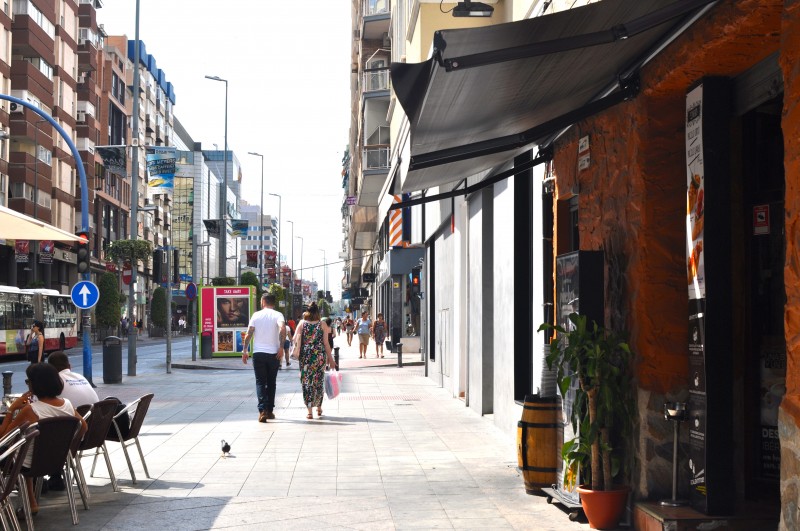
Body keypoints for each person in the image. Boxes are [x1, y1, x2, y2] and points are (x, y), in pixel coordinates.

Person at [0, 363, 87, 516]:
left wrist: (11, 409)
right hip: (56, 460)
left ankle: (24, 501)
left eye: (29, 381)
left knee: (18, 451)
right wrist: (67, 448)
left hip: (28, 464)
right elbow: (84, 427)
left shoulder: (30, 410)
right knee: (27, 448)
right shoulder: (67, 404)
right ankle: (31, 501)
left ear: (35, 384)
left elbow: (4, 437)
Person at [241, 294, 286, 423]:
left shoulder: (256, 315)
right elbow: (282, 328)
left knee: (260, 382)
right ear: (273, 303)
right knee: (272, 382)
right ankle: (270, 410)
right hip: (274, 354)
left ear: (263, 302)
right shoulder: (278, 315)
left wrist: (245, 350)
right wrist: (281, 347)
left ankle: (262, 411)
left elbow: (249, 332)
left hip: (258, 353)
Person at [292, 302, 336, 419]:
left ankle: (309, 411)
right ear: (318, 312)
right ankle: (319, 407)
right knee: (318, 381)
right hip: (319, 357)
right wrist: (331, 360)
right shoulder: (323, 324)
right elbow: (326, 344)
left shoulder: (302, 323)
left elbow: (294, 339)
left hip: (305, 357)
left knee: (307, 382)